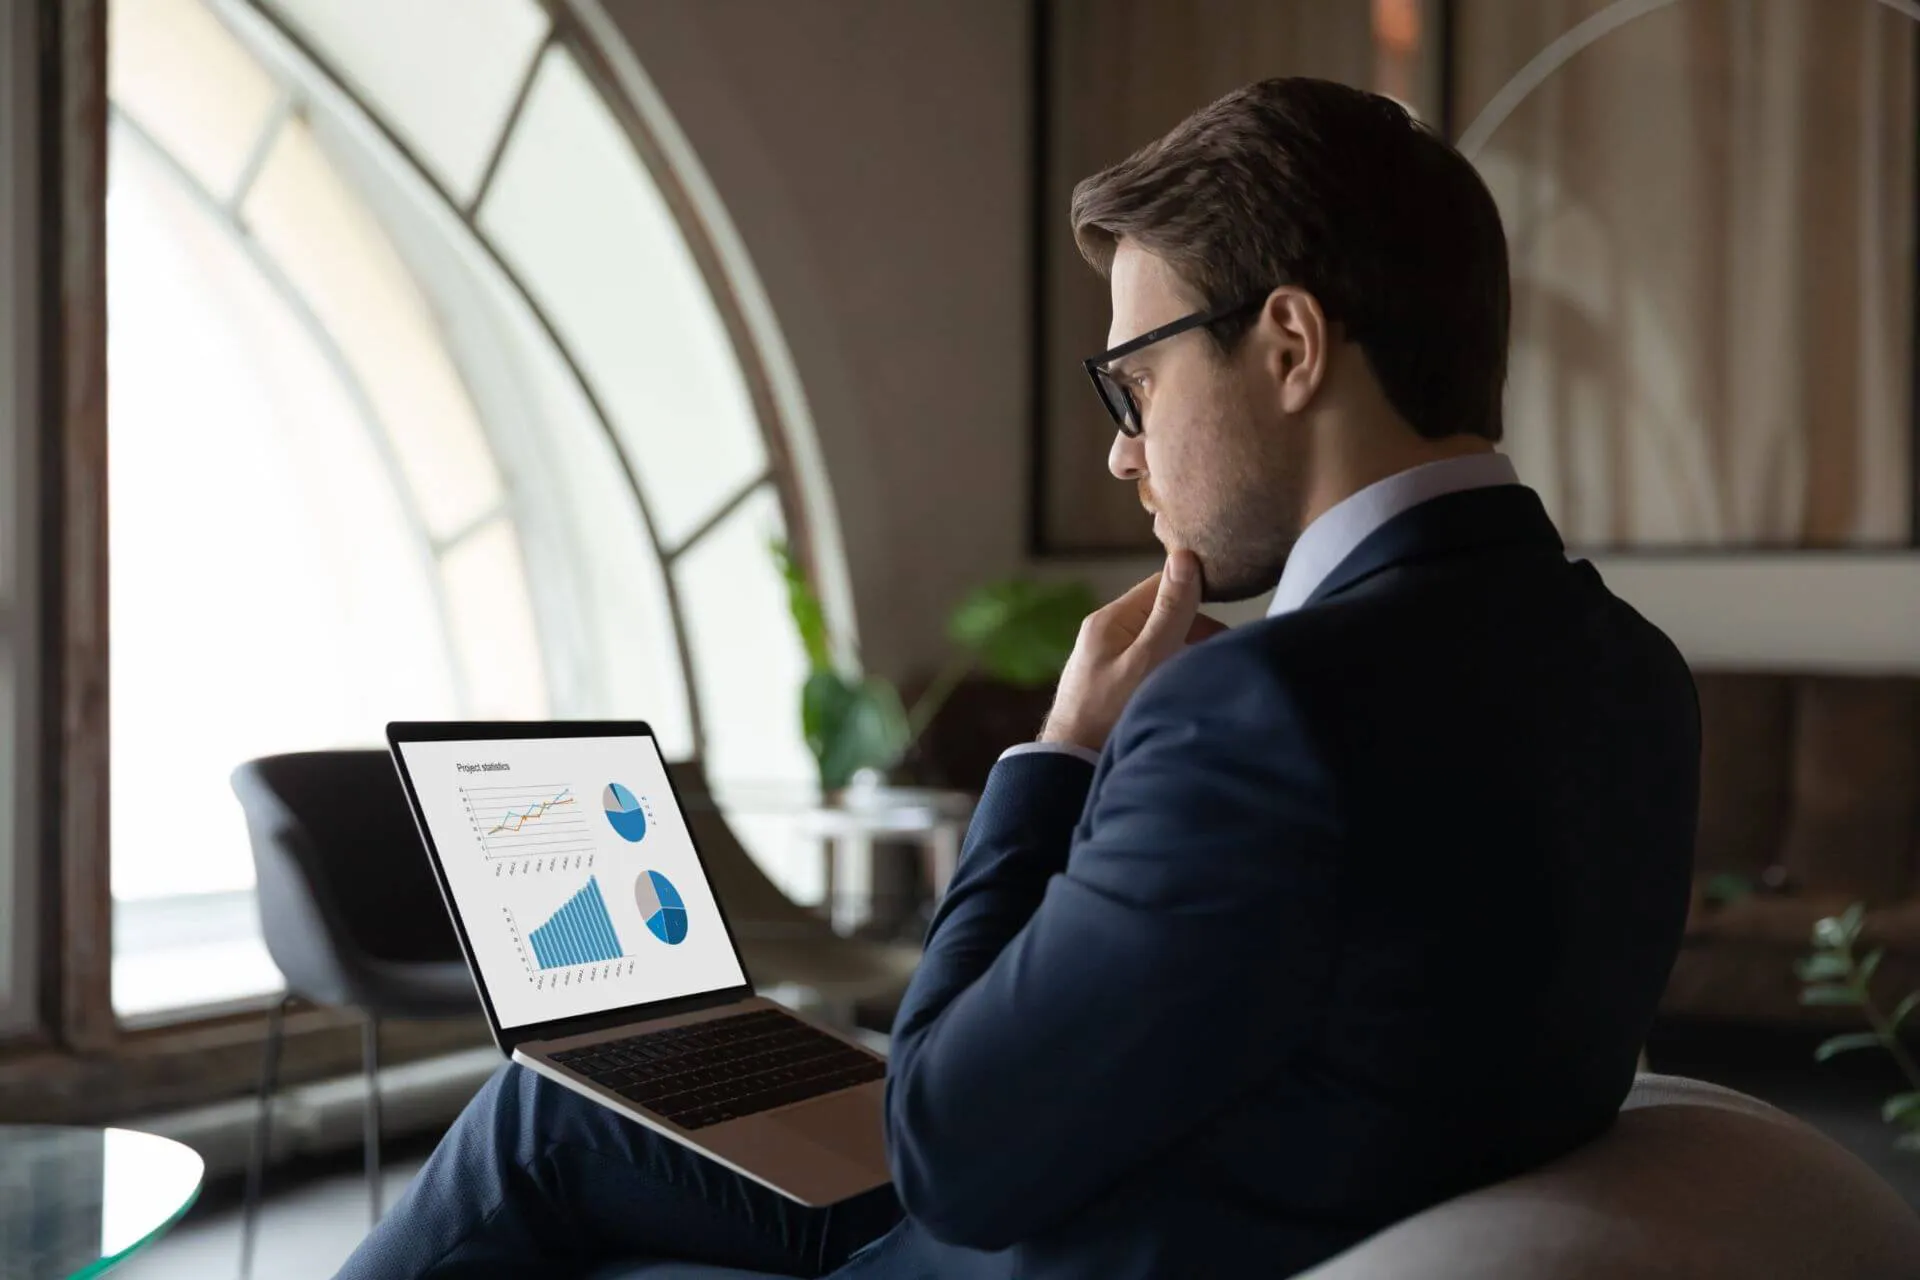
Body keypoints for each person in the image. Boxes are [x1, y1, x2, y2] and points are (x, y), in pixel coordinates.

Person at [337, 77, 1699, 1280]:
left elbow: (947, 1154)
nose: (1125, 453)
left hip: (1034, 1241)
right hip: (1169, 1188)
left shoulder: (1264, 712)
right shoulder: (1631, 675)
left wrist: (1055, 756)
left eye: (1136, 385)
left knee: (530, 1132)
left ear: (1289, 348)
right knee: (567, 1107)